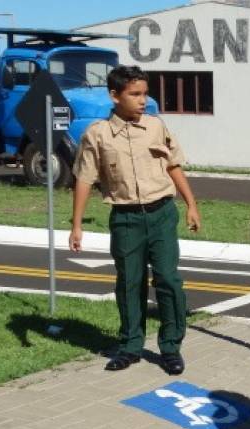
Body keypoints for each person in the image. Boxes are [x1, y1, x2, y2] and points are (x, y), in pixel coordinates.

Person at [68, 65, 200, 375]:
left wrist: (191, 204)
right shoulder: (97, 135)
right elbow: (84, 179)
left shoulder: (156, 127)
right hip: (126, 218)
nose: (143, 100)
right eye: (135, 94)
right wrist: (77, 225)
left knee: (168, 279)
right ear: (114, 96)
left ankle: (171, 347)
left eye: (145, 93)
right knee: (129, 283)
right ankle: (129, 346)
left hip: (162, 214)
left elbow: (174, 166)